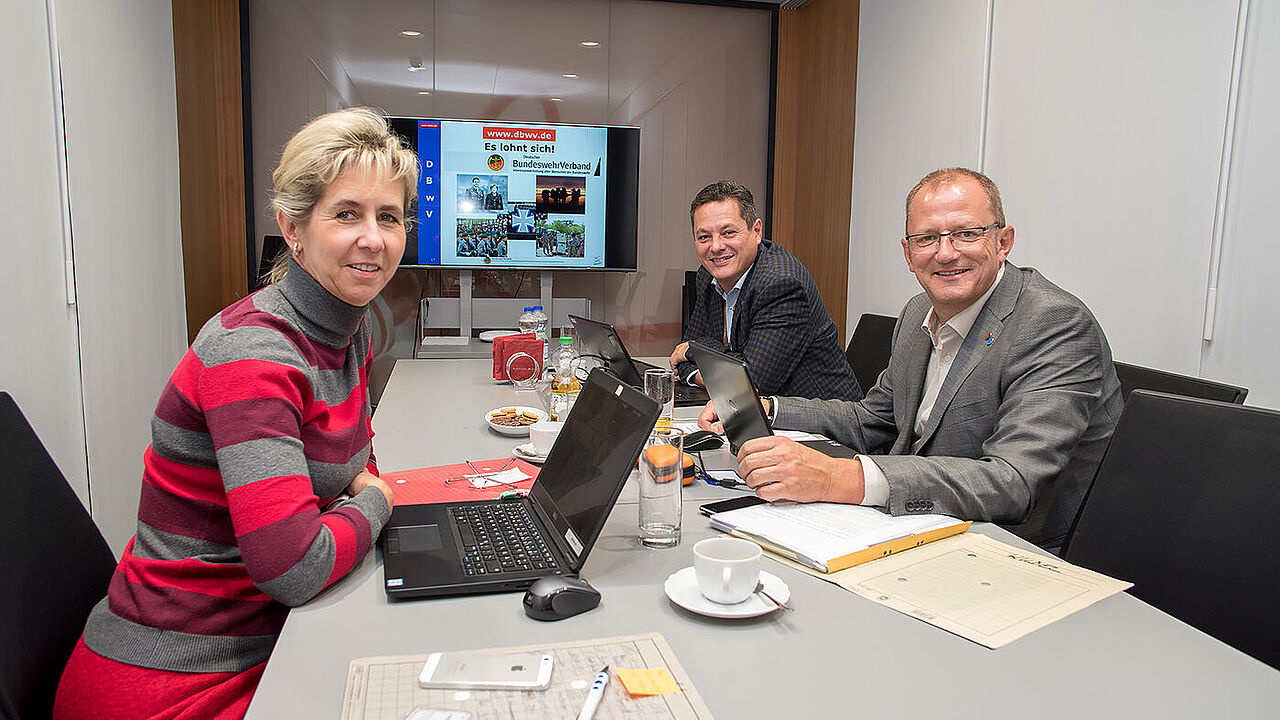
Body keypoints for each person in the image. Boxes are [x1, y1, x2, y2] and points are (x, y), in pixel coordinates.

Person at [53, 107, 417, 719]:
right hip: (177, 679)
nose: (373, 239)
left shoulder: (346, 332)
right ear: (293, 228)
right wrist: (377, 502)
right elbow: (296, 565)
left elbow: (351, 471)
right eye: (346, 214)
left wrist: (358, 497)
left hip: (270, 642)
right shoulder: (255, 352)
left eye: (389, 217)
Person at [700, 168, 1122, 550]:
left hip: (1013, 547)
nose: (945, 253)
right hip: (920, 523)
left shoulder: (1053, 323)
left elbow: (1012, 481)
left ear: (1003, 241)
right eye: (927, 239)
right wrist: (769, 407)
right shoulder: (919, 312)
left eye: (966, 234)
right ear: (908, 253)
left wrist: (836, 477)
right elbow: (872, 420)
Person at [670, 179, 861, 401]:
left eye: (728, 232)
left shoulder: (782, 284)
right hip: (759, 416)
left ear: (757, 231)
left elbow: (751, 385)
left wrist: (696, 351)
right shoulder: (707, 276)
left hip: (822, 424)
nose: (716, 246)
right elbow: (681, 357)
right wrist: (699, 358)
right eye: (704, 237)